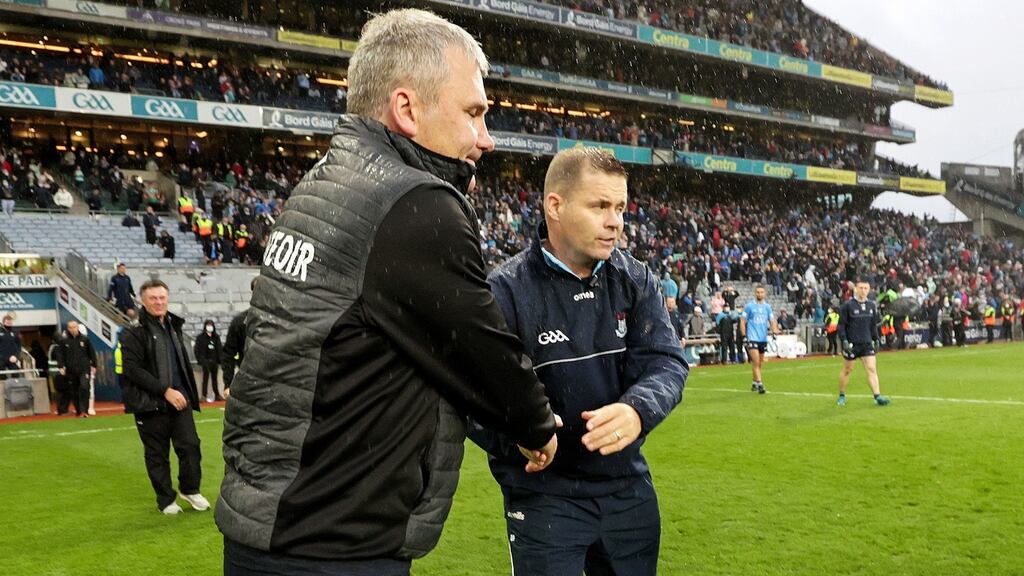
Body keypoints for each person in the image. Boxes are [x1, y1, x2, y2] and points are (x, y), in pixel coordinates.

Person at [216, 10, 558, 574]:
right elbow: (480, 348)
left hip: (268, 521)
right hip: (333, 538)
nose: (486, 138)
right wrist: (536, 425)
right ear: (407, 109)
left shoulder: (326, 180)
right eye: (473, 113)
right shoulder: (414, 203)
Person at [471, 148, 686, 576]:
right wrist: (518, 432)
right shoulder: (506, 292)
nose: (615, 221)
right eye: (600, 206)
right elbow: (471, 394)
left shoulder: (635, 278)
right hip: (544, 496)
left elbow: (666, 361)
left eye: (621, 207)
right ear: (556, 205)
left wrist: (637, 409)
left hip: (627, 491)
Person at [119, 279, 208, 514]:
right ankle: (166, 500)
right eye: (153, 298)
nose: (159, 302)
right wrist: (165, 391)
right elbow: (132, 369)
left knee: (190, 446)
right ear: (142, 300)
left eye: (162, 298)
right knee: (157, 454)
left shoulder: (173, 325)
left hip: (180, 401)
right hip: (150, 404)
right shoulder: (133, 332)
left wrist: (184, 392)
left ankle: (190, 489)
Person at [837, 278, 891, 406]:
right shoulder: (847, 306)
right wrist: (844, 341)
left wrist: (876, 339)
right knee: (847, 370)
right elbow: (841, 326)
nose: (863, 290)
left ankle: (877, 396)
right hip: (852, 344)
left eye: (865, 288)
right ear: (856, 289)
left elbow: (873, 326)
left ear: (869, 290)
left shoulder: (871, 306)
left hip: (866, 343)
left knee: (872, 369)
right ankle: (842, 395)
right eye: (861, 288)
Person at [220, 277, 255, 396]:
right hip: (249, 381)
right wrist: (228, 384)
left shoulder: (280, 320)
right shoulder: (240, 322)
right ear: (252, 292)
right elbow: (228, 354)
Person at [740, 285, 778, 394]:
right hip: (752, 337)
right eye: (758, 292)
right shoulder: (749, 306)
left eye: (761, 292)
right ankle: (760, 384)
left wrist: (774, 331)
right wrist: (743, 335)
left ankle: (754, 383)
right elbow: (742, 321)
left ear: (764, 294)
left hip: (763, 338)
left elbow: (771, 320)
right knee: (756, 362)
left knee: (759, 363)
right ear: (755, 293)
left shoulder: (767, 307)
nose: (759, 294)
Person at [55, 320, 97, 417]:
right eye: (71, 327)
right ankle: (79, 410)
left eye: (75, 327)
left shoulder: (85, 339)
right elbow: (60, 355)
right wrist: (61, 366)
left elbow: (92, 353)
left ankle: (84, 411)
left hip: (84, 369)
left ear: (77, 327)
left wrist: (94, 365)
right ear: (68, 329)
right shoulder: (64, 341)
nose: (73, 329)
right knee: (74, 391)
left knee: (84, 387)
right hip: (71, 370)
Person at [192, 319, 222, 403]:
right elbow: (197, 349)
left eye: (211, 325)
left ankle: (217, 395)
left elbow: (219, 349)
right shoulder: (200, 337)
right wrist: (201, 360)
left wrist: (219, 360)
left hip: (214, 361)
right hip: (205, 361)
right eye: (208, 325)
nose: (210, 327)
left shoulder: (216, 337)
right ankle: (204, 395)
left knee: (214, 379)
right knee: (205, 379)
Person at [0, 312, 21, 376]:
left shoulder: (15, 332)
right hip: (1, 359)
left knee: (16, 375)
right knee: (1, 377)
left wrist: (16, 356)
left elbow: (19, 346)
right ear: (3, 323)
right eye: (7, 323)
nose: (9, 324)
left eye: (10, 323)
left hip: (12, 358)